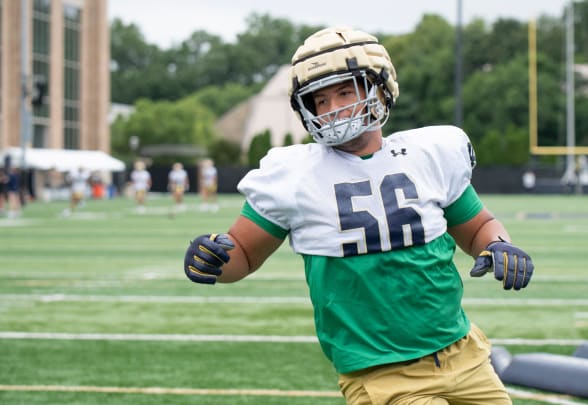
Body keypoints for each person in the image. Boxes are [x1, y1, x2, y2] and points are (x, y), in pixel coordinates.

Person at [183, 26, 534, 404]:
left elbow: (478, 226)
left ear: (380, 88)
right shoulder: (294, 174)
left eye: (345, 92)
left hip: (463, 353)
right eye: (319, 100)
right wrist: (216, 259)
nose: (332, 109)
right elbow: (244, 253)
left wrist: (498, 245)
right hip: (381, 371)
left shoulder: (429, 155)